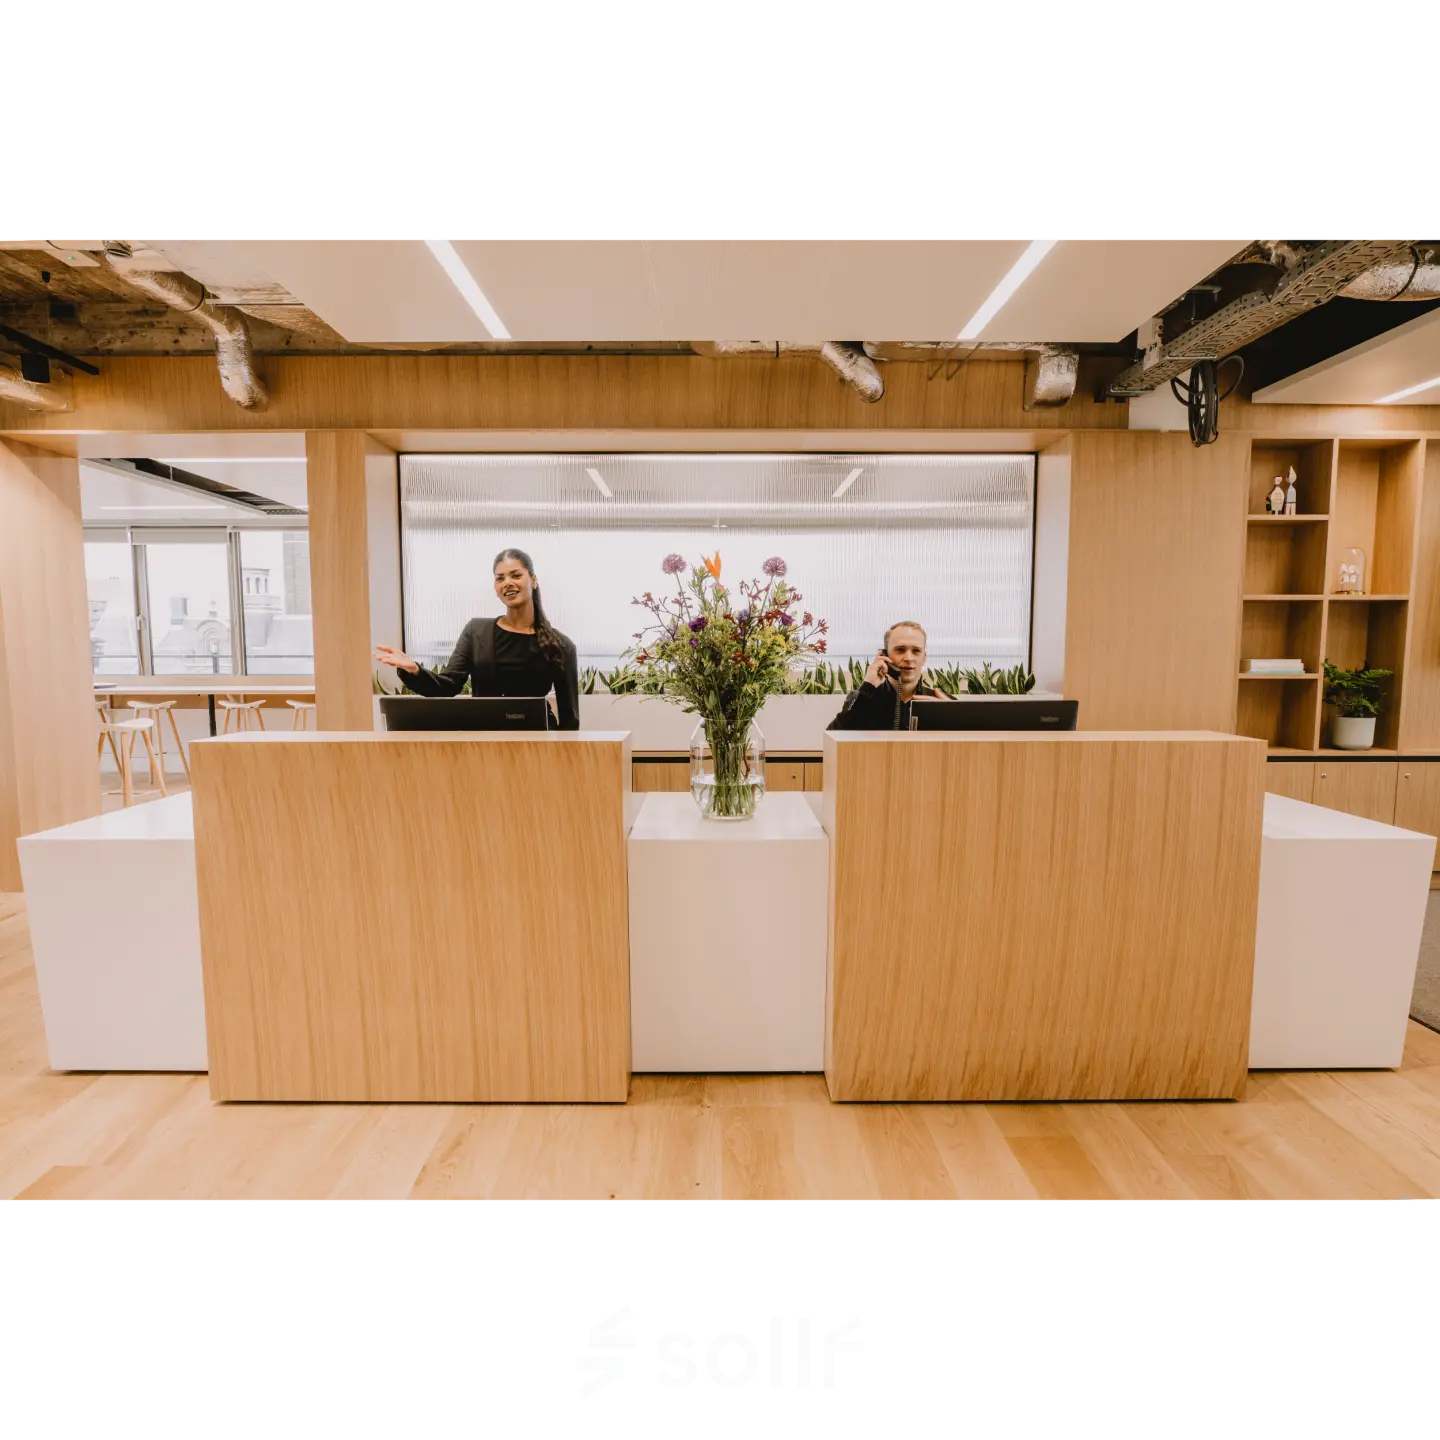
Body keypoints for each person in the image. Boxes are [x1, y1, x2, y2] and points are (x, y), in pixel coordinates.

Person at [373, 547, 580, 729]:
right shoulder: (477, 631)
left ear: (533, 581)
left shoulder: (561, 645)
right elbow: (448, 686)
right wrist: (414, 671)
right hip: (484, 741)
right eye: (500, 578)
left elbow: (570, 720)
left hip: (538, 744)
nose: (507, 583)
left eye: (516, 575)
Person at [827, 621, 939, 731]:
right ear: (884, 655)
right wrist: (867, 687)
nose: (909, 658)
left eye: (916, 651)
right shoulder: (864, 699)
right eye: (900, 650)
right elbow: (833, 737)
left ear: (924, 657)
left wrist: (945, 713)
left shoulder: (939, 702)